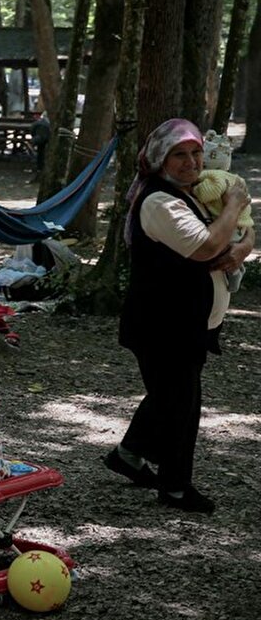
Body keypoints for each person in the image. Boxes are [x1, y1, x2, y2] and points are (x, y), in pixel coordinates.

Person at [110, 118, 254, 514]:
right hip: (162, 324)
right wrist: (234, 206)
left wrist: (239, 248)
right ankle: (175, 487)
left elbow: (239, 239)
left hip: (185, 321)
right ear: (160, 159)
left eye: (195, 153)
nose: (191, 162)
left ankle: (128, 455)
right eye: (179, 155)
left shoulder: (190, 194)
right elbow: (208, 247)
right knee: (181, 405)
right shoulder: (161, 202)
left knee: (171, 395)